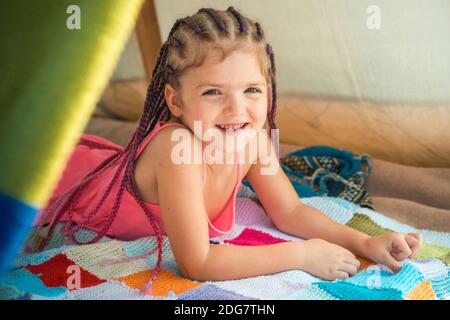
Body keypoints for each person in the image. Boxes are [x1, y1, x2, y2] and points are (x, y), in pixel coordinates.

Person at [30, 7, 422, 294]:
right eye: (214, 92)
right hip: (48, 176)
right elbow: (196, 263)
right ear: (176, 101)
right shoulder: (177, 147)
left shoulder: (254, 139)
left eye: (252, 90)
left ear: (268, 90)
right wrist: (301, 256)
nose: (237, 110)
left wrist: (364, 242)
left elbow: (290, 210)